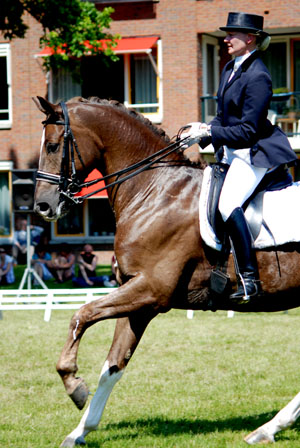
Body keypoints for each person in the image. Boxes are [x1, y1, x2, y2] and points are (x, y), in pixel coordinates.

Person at [182, 12, 297, 302]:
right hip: (232, 152)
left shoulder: (259, 76)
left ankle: (250, 279)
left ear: (250, 38)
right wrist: (203, 131)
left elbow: (247, 130)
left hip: (254, 153)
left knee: (227, 203)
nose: (226, 39)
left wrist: (209, 130)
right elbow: (222, 117)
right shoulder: (230, 68)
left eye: (232, 34)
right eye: (227, 34)